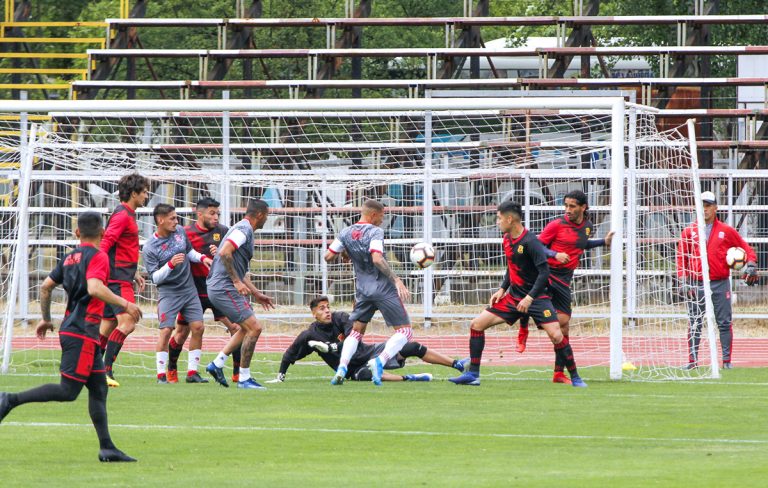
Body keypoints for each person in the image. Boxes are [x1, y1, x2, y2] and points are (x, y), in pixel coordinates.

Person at [0, 212, 142, 462]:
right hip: (83, 332)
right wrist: (126, 305)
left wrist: (45, 318)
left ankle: (107, 447)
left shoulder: (68, 258)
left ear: (77, 233)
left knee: (98, 388)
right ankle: (10, 399)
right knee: (68, 391)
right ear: (102, 233)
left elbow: (45, 286)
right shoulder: (98, 256)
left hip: (73, 328)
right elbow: (95, 288)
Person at [449, 201, 587, 387]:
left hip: (536, 298)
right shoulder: (507, 238)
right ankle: (473, 374)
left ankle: (575, 377)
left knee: (556, 335)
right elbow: (512, 266)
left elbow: (544, 273)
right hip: (513, 297)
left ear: (510, 219)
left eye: (498, 218)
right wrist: (502, 289)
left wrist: (529, 298)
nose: (497, 222)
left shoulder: (531, 242)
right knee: (476, 325)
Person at [516, 190, 614, 384]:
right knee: (530, 302)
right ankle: (523, 327)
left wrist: (603, 242)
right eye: (566, 206)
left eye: (572, 206)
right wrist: (554, 255)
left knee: (564, 326)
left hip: (564, 280)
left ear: (583, 207)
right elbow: (535, 247)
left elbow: (580, 245)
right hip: (546, 274)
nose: (568, 210)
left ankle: (558, 373)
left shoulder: (587, 226)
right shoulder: (556, 225)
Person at [266, 296, 468, 383]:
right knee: (366, 375)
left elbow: (352, 339)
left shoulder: (342, 318)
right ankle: (411, 378)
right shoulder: (309, 335)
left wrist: (331, 348)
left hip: (370, 352)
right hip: (352, 370)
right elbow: (289, 355)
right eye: (321, 308)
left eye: (328, 306)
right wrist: (280, 376)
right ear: (313, 314)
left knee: (412, 346)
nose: (327, 311)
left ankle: (457, 364)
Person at [324, 199, 413, 386]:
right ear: (373, 214)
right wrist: (396, 279)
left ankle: (342, 368)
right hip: (382, 288)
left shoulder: (346, 232)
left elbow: (329, 256)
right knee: (405, 331)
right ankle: (379, 362)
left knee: (356, 332)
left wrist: (347, 252)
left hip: (362, 290)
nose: (382, 220)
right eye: (382, 216)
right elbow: (377, 258)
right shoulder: (375, 231)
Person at [677, 190, 758, 370]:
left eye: (708, 206)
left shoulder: (726, 231)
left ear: (715, 208)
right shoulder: (689, 231)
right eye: (702, 206)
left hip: (720, 282)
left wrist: (751, 263)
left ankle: (727, 361)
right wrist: (683, 279)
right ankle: (692, 361)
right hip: (695, 282)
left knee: (724, 322)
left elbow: (745, 248)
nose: (704, 210)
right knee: (694, 321)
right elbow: (682, 257)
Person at [168, 197, 242, 383]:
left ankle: (237, 372)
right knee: (183, 333)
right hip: (193, 291)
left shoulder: (224, 232)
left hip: (218, 288)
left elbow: (232, 258)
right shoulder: (184, 233)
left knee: (237, 327)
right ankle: (173, 368)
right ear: (199, 214)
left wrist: (221, 256)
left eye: (217, 213)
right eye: (212, 213)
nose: (216, 217)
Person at [204, 199, 275, 389]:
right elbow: (225, 253)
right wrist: (235, 282)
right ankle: (244, 379)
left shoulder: (243, 229)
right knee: (255, 328)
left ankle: (217, 364)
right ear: (259, 215)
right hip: (223, 286)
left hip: (221, 286)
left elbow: (238, 268)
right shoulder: (243, 230)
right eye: (267, 216)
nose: (266, 219)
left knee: (245, 328)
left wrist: (256, 293)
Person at [143, 204, 213, 384]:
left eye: (176, 217)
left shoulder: (180, 232)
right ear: (160, 220)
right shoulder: (150, 247)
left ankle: (192, 373)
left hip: (189, 289)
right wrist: (171, 264)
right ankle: (161, 376)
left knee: (198, 327)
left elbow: (189, 252)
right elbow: (156, 278)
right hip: (169, 292)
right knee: (166, 331)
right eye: (172, 218)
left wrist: (202, 258)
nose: (177, 221)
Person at [99, 173, 150, 387]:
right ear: (134, 193)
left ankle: (85, 367)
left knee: (108, 326)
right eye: (144, 192)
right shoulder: (122, 215)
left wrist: (135, 272)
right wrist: (97, 269)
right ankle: (105, 371)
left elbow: (122, 247)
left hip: (122, 275)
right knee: (128, 322)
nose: (147, 196)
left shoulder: (128, 214)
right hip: (117, 279)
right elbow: (106, 243)